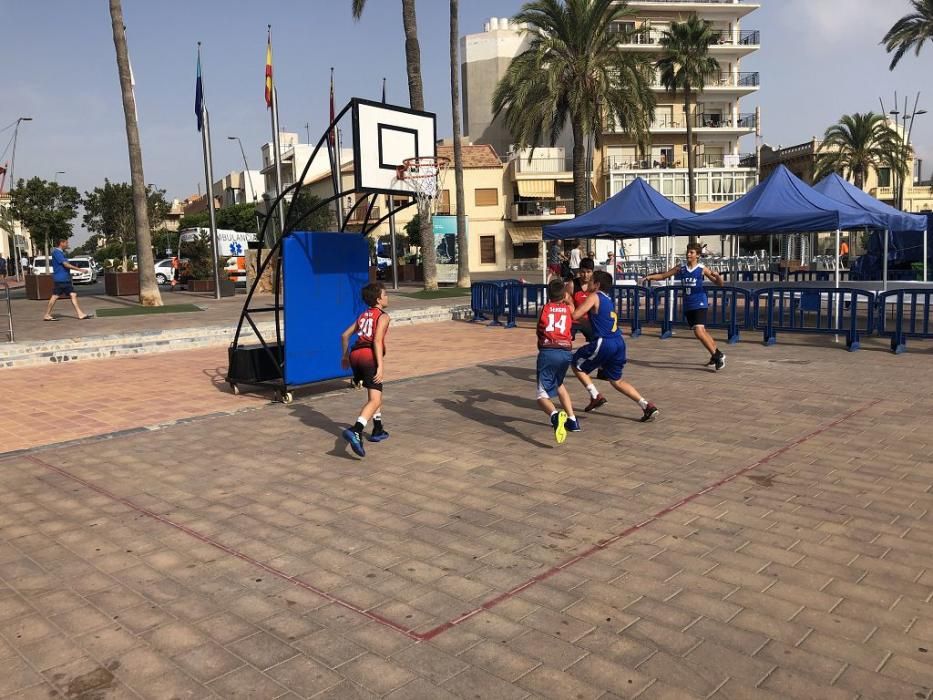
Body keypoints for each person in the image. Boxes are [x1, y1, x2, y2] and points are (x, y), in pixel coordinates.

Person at [571, 270, 659, 421]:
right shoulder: (607, 299)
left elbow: (574, 316)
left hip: (605, 342)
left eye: (591, 280)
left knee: (576, 364)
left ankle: (595, 395)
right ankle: (646, 405)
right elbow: (593, 323)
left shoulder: (594, 296)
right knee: (616, 380)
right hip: (618, 342)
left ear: (597, 284)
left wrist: (567, 302)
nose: (588, 283)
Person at [642, 242, 725, 370]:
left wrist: (718, 276)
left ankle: (717, 356)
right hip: (688, 304)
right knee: (701, 332)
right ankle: (717, 354)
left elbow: (719, 284)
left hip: (700, 302)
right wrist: (648, 277)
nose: (688, 254)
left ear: (697, 255)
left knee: (699, 331)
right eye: (688, 252)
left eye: (691, 252)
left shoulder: (702, 269)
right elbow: (664, 275)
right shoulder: (681, 268)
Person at [340, 282, 390, 457]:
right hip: (369, 356)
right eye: (385, 294)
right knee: (375, 399)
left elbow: (345, 335)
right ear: (378, 299)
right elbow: (376, 341)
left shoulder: (363, 315)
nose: (387, 296)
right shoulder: (383, 316)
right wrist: (381, 367)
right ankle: (357, 429)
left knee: (374, 394)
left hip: (355, 355)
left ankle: (377, 429)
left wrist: (345, 356)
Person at [536, 278, 580, 443]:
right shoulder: (568, 309)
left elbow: (539, 331)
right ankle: (572, 419)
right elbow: (574, 313)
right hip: (566, 351)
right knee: (558, 384)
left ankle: (555, 416)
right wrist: (568, 298)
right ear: (564, 296)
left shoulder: (544, 308)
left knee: (541, 395)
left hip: (549, 351)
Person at [43, 238, 91, 321]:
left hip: (65, 279)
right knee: (56, 296)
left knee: (70, 295)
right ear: (61, 243)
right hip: (61, 279)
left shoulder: (62, 253)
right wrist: (80, 270)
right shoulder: (57, 253)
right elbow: (66, 265)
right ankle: (47, 314)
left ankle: (80, 314)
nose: (68, 244)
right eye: (66, 243)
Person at [566, 257, 596, 342]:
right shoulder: (571, 285)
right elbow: (566, 304)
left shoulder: (595, 286)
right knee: (565, 340)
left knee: (596, 341)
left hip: (589, 321)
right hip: (573, 320)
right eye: (583, 272)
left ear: (592, 272)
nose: (585, 275)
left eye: (588, 272)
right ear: (579, 271)